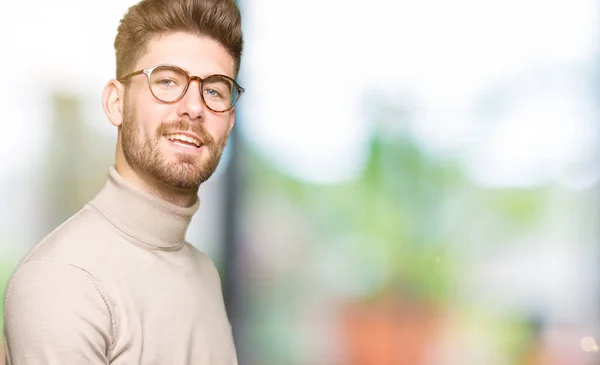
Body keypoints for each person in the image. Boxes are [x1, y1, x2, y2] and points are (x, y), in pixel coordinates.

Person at [3, 0, 244, 363]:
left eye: (214, 90)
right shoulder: (64, 278)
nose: (194, 108)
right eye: (167, 81)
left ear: (229, 121)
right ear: (116, 103)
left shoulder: (203, 273)